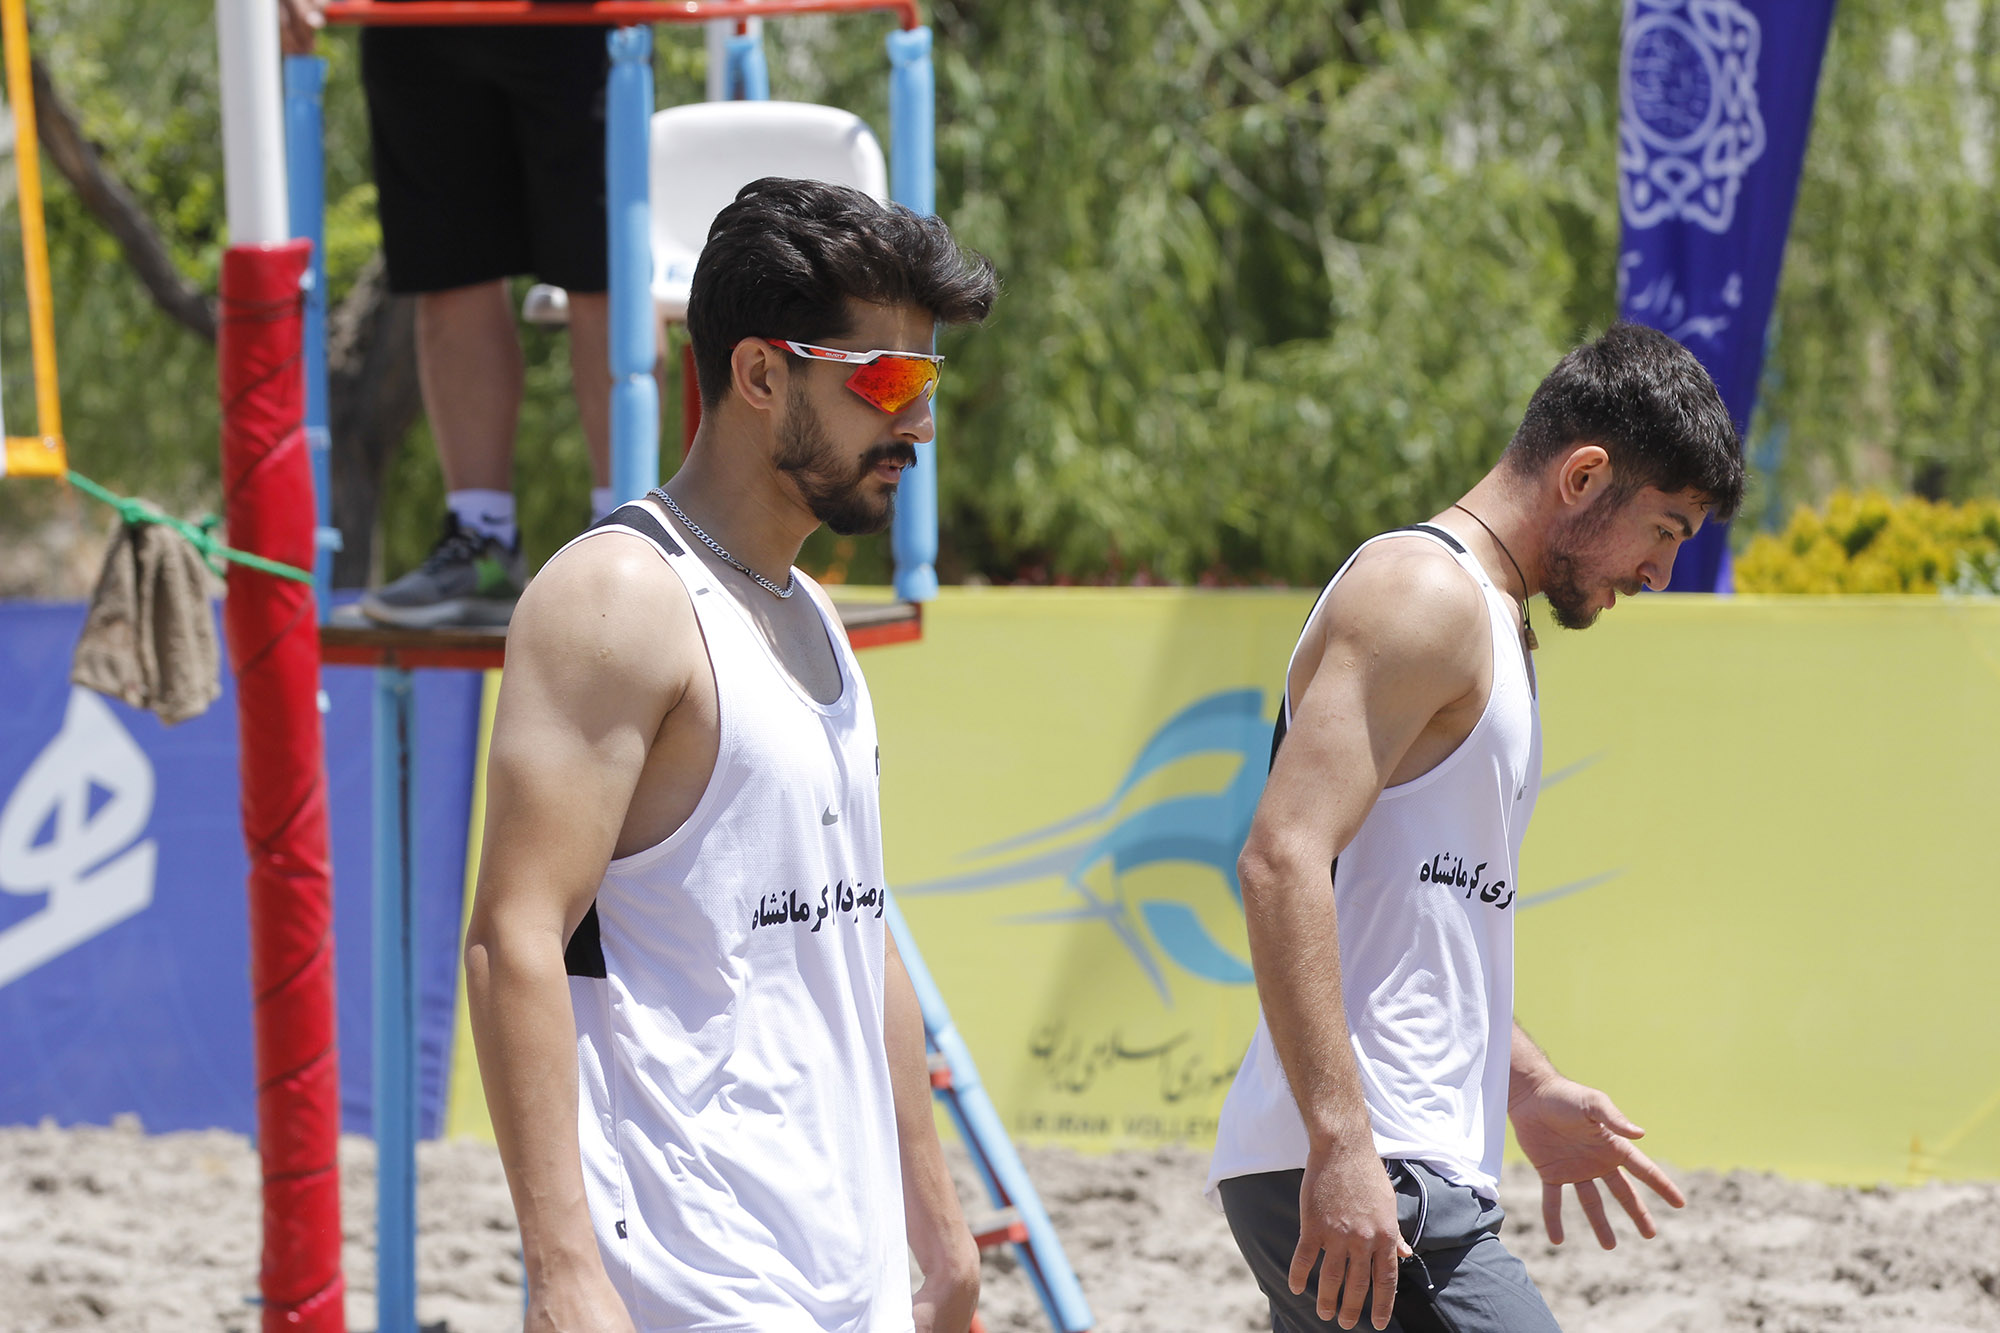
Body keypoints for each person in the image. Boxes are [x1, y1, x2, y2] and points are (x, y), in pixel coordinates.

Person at [463, 178, 996, 1333]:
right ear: (759, 374)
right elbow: (513, 938)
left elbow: (857, 930)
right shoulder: (616, 596)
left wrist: (938, 1225)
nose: (918, 426)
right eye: (888, 382)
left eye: (929, 383)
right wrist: (563, 1272)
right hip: (689, 1273)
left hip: (843, 1265)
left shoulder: (810, 611)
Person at [1207, 322, 1744, 1333]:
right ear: (1583, 476)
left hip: (1384, 1159)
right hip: (1377, 1164)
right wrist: (1341, 1144)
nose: (1659, 572)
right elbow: (1280, 859)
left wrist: (1524, 1082)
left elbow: (1415, 914)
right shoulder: (1422, 592)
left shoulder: (1486, 617)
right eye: (1665, 529)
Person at [280, 0, 614, 628]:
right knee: (449, 273)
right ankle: (482, 543)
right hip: (414, 19)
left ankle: (623, 539)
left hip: (571, 18)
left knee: (602, 275)